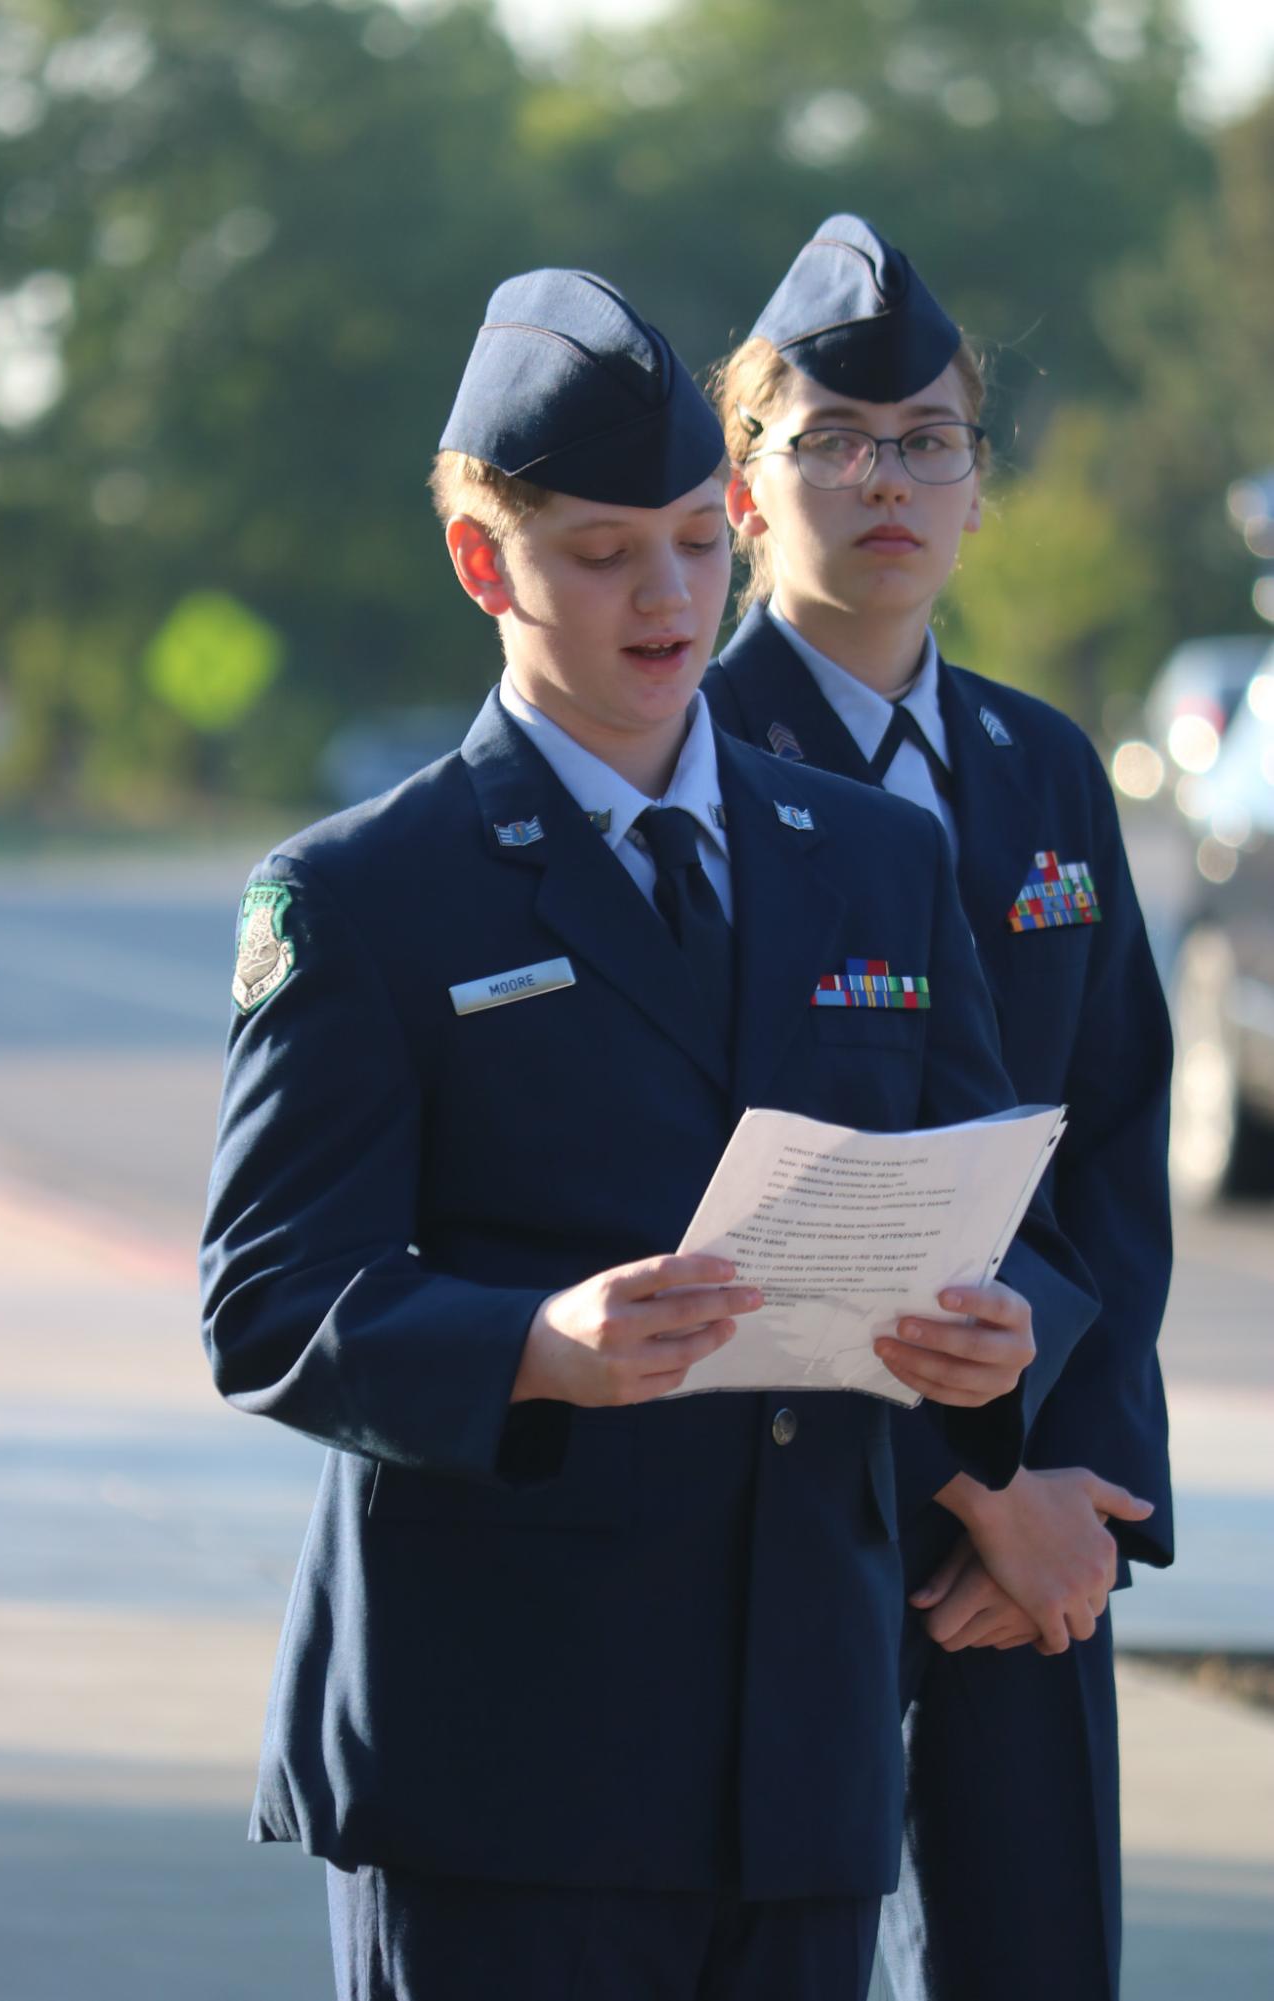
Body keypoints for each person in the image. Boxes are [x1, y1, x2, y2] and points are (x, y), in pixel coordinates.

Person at [200, 266, 1099, 2001]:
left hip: (802, 1752)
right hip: (503, 1757)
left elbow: (989, 1204)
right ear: (485, 564)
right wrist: (531, 1346)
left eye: (698, 541)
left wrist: (992, 1349)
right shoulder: (366, 892)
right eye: (605, 554)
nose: (669, 596)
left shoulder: (875, 857)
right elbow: (270, 1300)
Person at [703, 214, 1173, 2001]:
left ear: (979, 487)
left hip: (1040, 1515)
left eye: (928, 442)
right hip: (795, 1514)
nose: (883, 480)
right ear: (741, 493)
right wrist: (970, 1486)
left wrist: (1080, 1494)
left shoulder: (1043, 764)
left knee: (1034, 1951)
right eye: (828, 441)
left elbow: (1112, 1143)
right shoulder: (693, 767)